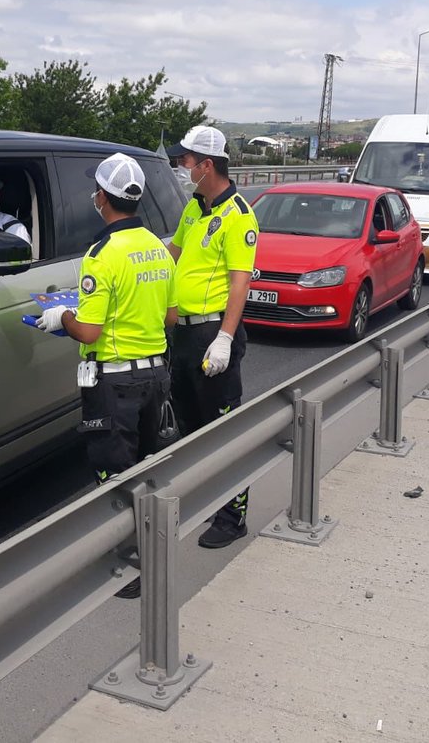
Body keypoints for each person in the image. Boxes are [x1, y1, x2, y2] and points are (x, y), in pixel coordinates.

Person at [37, 153, 177, 597]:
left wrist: (61, 317)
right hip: (155, 375)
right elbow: (171, 317)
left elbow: (90, 331)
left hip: (115, 384)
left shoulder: (101, 255)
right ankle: (154, 551)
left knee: (114, 477)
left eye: (95, 191)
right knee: (148, 469)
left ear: (102, 197)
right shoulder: (156, 247)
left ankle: (131, 568)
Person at [166, 125, 259, 548]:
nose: (181, 166)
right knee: (189, 426)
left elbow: (240, 283)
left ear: (206, 165)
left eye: (185, 160)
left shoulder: (238, 216)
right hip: (183, 334)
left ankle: (232, 517)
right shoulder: (194, 208)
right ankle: (206, 497)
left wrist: (224, 338)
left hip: (212, 332)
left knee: (222, 429)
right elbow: (174, 256)